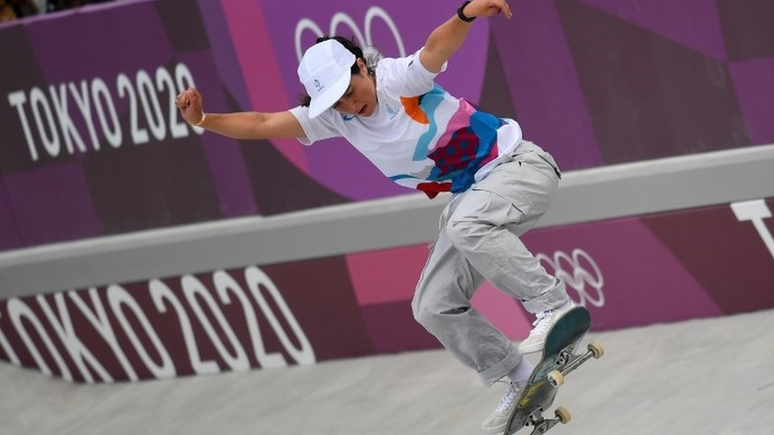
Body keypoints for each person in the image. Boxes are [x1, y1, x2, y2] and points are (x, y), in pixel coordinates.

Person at [176, 0, 575, 432]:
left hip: (519, 167)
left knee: (464, 226)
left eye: (351, 91)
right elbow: (261, 123)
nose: (350, 106)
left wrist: (466, 14)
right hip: (474, 197)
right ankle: (518, 378)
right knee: (432, 305)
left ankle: (553, 306)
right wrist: (202, 119)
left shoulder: (396, 80)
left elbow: (436, 49)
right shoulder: (336, 119)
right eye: (338, 102)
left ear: (363, 68)